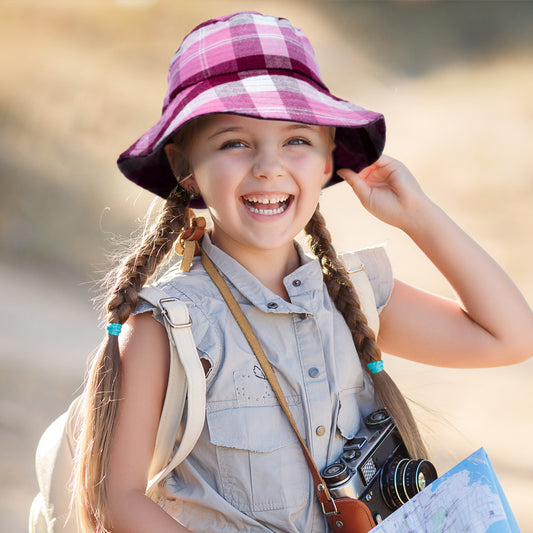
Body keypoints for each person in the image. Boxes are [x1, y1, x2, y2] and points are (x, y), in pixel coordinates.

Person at [72, 11, 533, 533]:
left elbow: (511, 337)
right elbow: (118, 499)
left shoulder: (352, 295)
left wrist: (418, 216)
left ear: (328, 158)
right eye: (234, 142)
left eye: (297, 140)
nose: (269, 165)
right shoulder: (169, 324)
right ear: (185, 168)